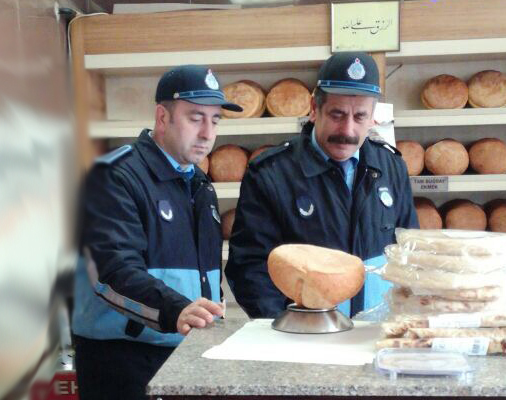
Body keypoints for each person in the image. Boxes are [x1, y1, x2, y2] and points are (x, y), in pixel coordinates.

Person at [72, 65, 242, 400]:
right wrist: (175, 309)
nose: (207, 133)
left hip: (185, 353)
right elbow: (110, 271)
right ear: (162, 117)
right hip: (122, 363)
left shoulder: (200, 186)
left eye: (215, 120)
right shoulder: (114, 177)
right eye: (195, 118)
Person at [225, 52, 419, 319]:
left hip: (376, 328)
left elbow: (408, 252)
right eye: (337, 115)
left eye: (359, 117)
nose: (347, 131)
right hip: (305, 331)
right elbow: (250, 266)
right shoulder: (272, 173)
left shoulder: (391, 167)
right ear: (314, 109)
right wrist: (283, 326)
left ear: (373, 117)